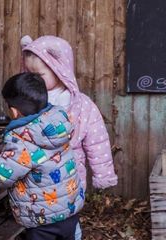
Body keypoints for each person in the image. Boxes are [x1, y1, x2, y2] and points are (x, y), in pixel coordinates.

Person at [20, 35, 118, 238]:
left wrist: (103, 175)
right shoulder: (28, 102)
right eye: (29, 74)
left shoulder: (81, 105)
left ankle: (71, 231)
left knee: (66, 214)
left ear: (59, 68)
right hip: (36, 180)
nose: (33, 80)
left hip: (69, 176)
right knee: (38, 216)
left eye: (38, 75)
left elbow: (97, 141)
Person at [0, 72, 84, 240]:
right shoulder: (58, 122)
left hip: (41, 222)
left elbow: (2, 175)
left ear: (14, 112)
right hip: (69, 213)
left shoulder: (21, 140)